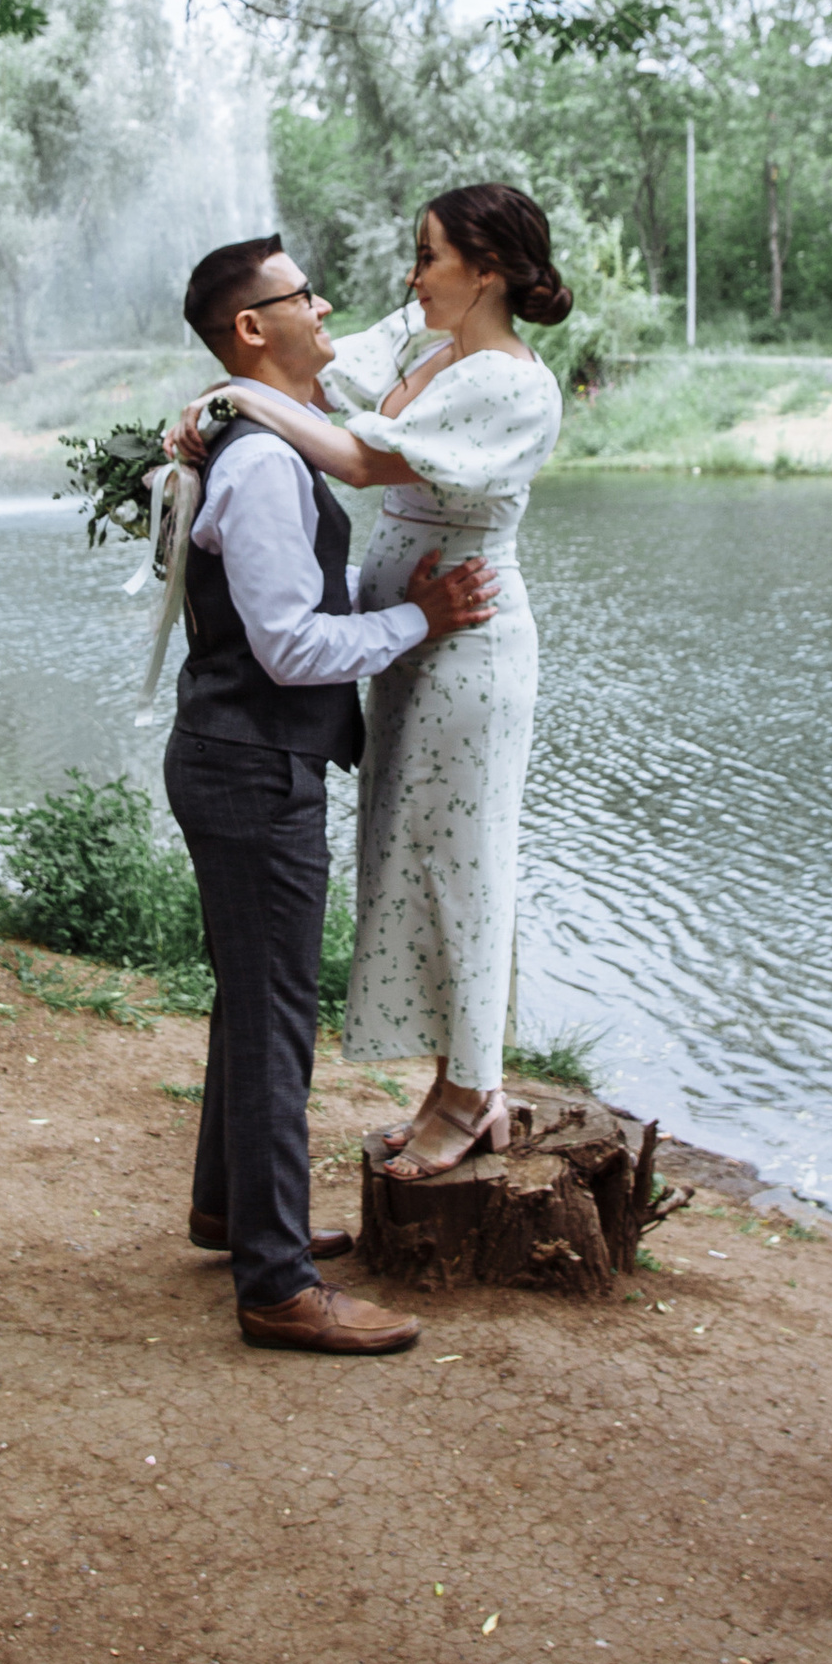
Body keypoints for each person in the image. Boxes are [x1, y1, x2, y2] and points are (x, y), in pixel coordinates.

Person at [163, 234, 495, 1354]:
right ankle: (277, 1285)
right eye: (304, 295)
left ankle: (230, 1212)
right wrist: (418, 619)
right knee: (275, 1018)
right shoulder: (262, 461)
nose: (324, 308)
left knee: (248, 1000)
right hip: (252, 767)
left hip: (236, 756)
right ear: (252, 327)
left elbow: (286, 596)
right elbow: (291, 647)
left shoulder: (257, 436)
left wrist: (391, 596)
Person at [199, 183, 568, 1177]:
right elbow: (319, 377)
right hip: (411, 643)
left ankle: (474, 1094)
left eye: (429, 255)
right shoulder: (421, 339)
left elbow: (360, 464)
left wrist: (238, 398)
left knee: (465, 862)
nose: (412, 275)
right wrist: (232, 401)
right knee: (415, 853)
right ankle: (453, 1081)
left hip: (467, 644)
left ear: (486, 271)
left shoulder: (512, 384)